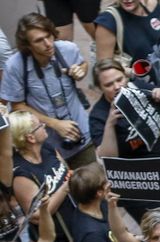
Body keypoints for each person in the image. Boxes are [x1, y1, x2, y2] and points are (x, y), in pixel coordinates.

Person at [1, 14, 93, 164]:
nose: (48, 43)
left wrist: (81, 70)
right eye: (39, 40)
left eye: (48, 36)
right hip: (45, 144)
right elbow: (17, 107)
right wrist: (55, 124)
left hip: (80, 132)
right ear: (28, 45)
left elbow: (83, 64)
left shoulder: (68, 49)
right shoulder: (15, 66)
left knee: (91, 182)